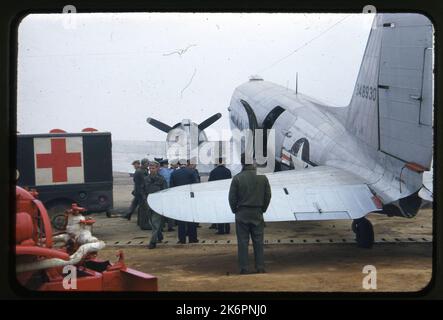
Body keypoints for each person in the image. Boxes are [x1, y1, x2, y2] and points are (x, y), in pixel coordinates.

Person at [228, 153, 271, 274]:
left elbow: (232, 198)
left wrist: (235, 210)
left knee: (242, 242)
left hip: (242, 213)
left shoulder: (237, 178)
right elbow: (268, 195)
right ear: (253, 162)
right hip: (257, 212)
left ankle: (244, 268)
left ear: (242, 163)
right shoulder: (262, 177)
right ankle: (260, 267)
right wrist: (262, 209)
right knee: (258, 241)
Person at [170, 159, 198, 244]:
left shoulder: (174, 173)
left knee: (181, 220)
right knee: (191, 219)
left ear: (178, 164)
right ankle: (193, 238)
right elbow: (195, 186)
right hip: (189, 199)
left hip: (179, 199)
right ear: (186, 164)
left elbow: (171, 187)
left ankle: (182, 239)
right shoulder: (192, 172)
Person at [144, 160, 168, 249]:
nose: (151, 170)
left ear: (157, 168)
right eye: (150, 168)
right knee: (151, 222)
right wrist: (144, 201)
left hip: (157, 203)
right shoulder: (146, 179)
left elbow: (165, 191)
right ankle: (159, 236)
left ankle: (152, 242)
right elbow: (142, 190)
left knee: (155, 222)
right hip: (148, 203)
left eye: (153, 168)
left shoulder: (161, 179)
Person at [208, 157, 232, 234]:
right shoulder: (228, 171)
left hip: (217, 195)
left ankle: (221, 230)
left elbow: (210, 184)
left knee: (219, 212)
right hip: (225, 194)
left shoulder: (213, 172)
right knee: (226, 211)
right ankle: (227, 229)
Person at [158, 159, 175, 232]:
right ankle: (170, 226)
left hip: (161, 193)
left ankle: (161, 226)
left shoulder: (159, 171)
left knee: (161, 211)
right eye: (167, 164)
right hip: (168, 192)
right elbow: (170, 175)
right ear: (164, 164)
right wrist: (173, 168)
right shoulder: (166, 171)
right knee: (169, 210)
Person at [137, 158, 152, 230]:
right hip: (142, 192)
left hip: (141, 192)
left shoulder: (141, 170)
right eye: (148, 163)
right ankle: (144, 225)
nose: (148, 165)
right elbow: (145, 181)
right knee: (144, 209)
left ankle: (140, 223)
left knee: (141, 209)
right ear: (145, 164)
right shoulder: (141, 172)